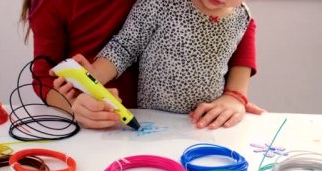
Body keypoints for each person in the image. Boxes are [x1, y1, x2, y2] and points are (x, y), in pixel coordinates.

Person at [20, 0, 264, 130]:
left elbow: (240, 23)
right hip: (104, 125)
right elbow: (44, 77)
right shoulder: (50, 3)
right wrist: (74, 106)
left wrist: (235, 94)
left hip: (187, 123)